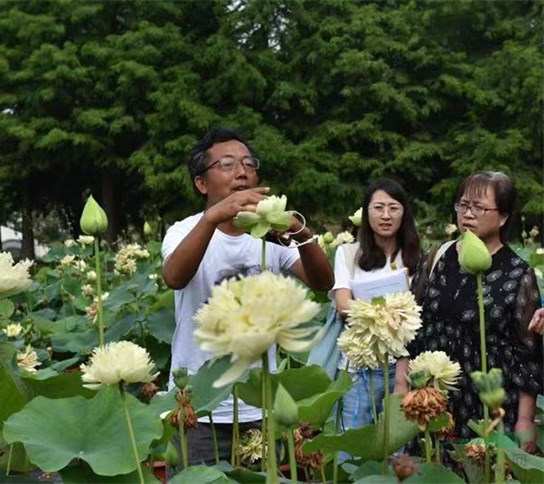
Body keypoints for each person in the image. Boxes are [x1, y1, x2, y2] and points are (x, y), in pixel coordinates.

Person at [161, 127, 334, 466]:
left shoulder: (270, 235)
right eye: (226, 164)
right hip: (200, 407)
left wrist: (299, 230)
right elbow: (174, 277)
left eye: (247, 163)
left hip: (260, 403)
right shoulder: (184, 230)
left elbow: (322, 282)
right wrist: (213, 218)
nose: (241, 172)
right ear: (201, 183)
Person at [395, 171, 542, 453]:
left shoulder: (518, 273)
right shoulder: (437, 257)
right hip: (433, 399)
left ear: (502, 217)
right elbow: (411, 324)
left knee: (479, 468)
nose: (468, 214)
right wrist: (402, 388)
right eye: (463, 205)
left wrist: (525, 419)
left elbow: (528, 351)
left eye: (479, 207)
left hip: (488, 402)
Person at [331, 178, 422, 431]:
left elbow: (420, 314)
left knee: (398, 449)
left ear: (404, 213)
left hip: (403, 367)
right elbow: (342, 304)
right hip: (358, 366)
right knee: (350, 447)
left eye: (394, 208)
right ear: (366, 212)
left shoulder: (417, 258)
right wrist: (391, 313)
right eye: (378, 208)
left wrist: (369, 309)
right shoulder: (348, 254)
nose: (386, 215)